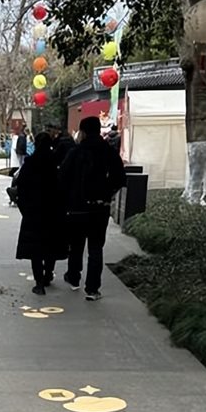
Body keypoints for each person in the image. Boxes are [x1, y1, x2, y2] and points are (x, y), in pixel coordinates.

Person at [59, 116, 126, 301]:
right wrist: (107, 193)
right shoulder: (109, 151)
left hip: (77, 207)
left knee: (76, 244)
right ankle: (92, 289)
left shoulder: (75, 152)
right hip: (99, 207)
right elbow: (120, 178)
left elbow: (62, 177)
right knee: (96, 247)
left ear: (83, 132)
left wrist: (69, 197)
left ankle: (73, 277)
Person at [15, 132, 67, 295]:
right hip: (53, 211)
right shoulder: (56, 163)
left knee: (35, 249)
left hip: (33, 212)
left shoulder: (30, 163)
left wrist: (24, 208)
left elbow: (20, 187)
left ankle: (39, 283)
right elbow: (62, 187)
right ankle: (48, 273)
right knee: (50, 244)